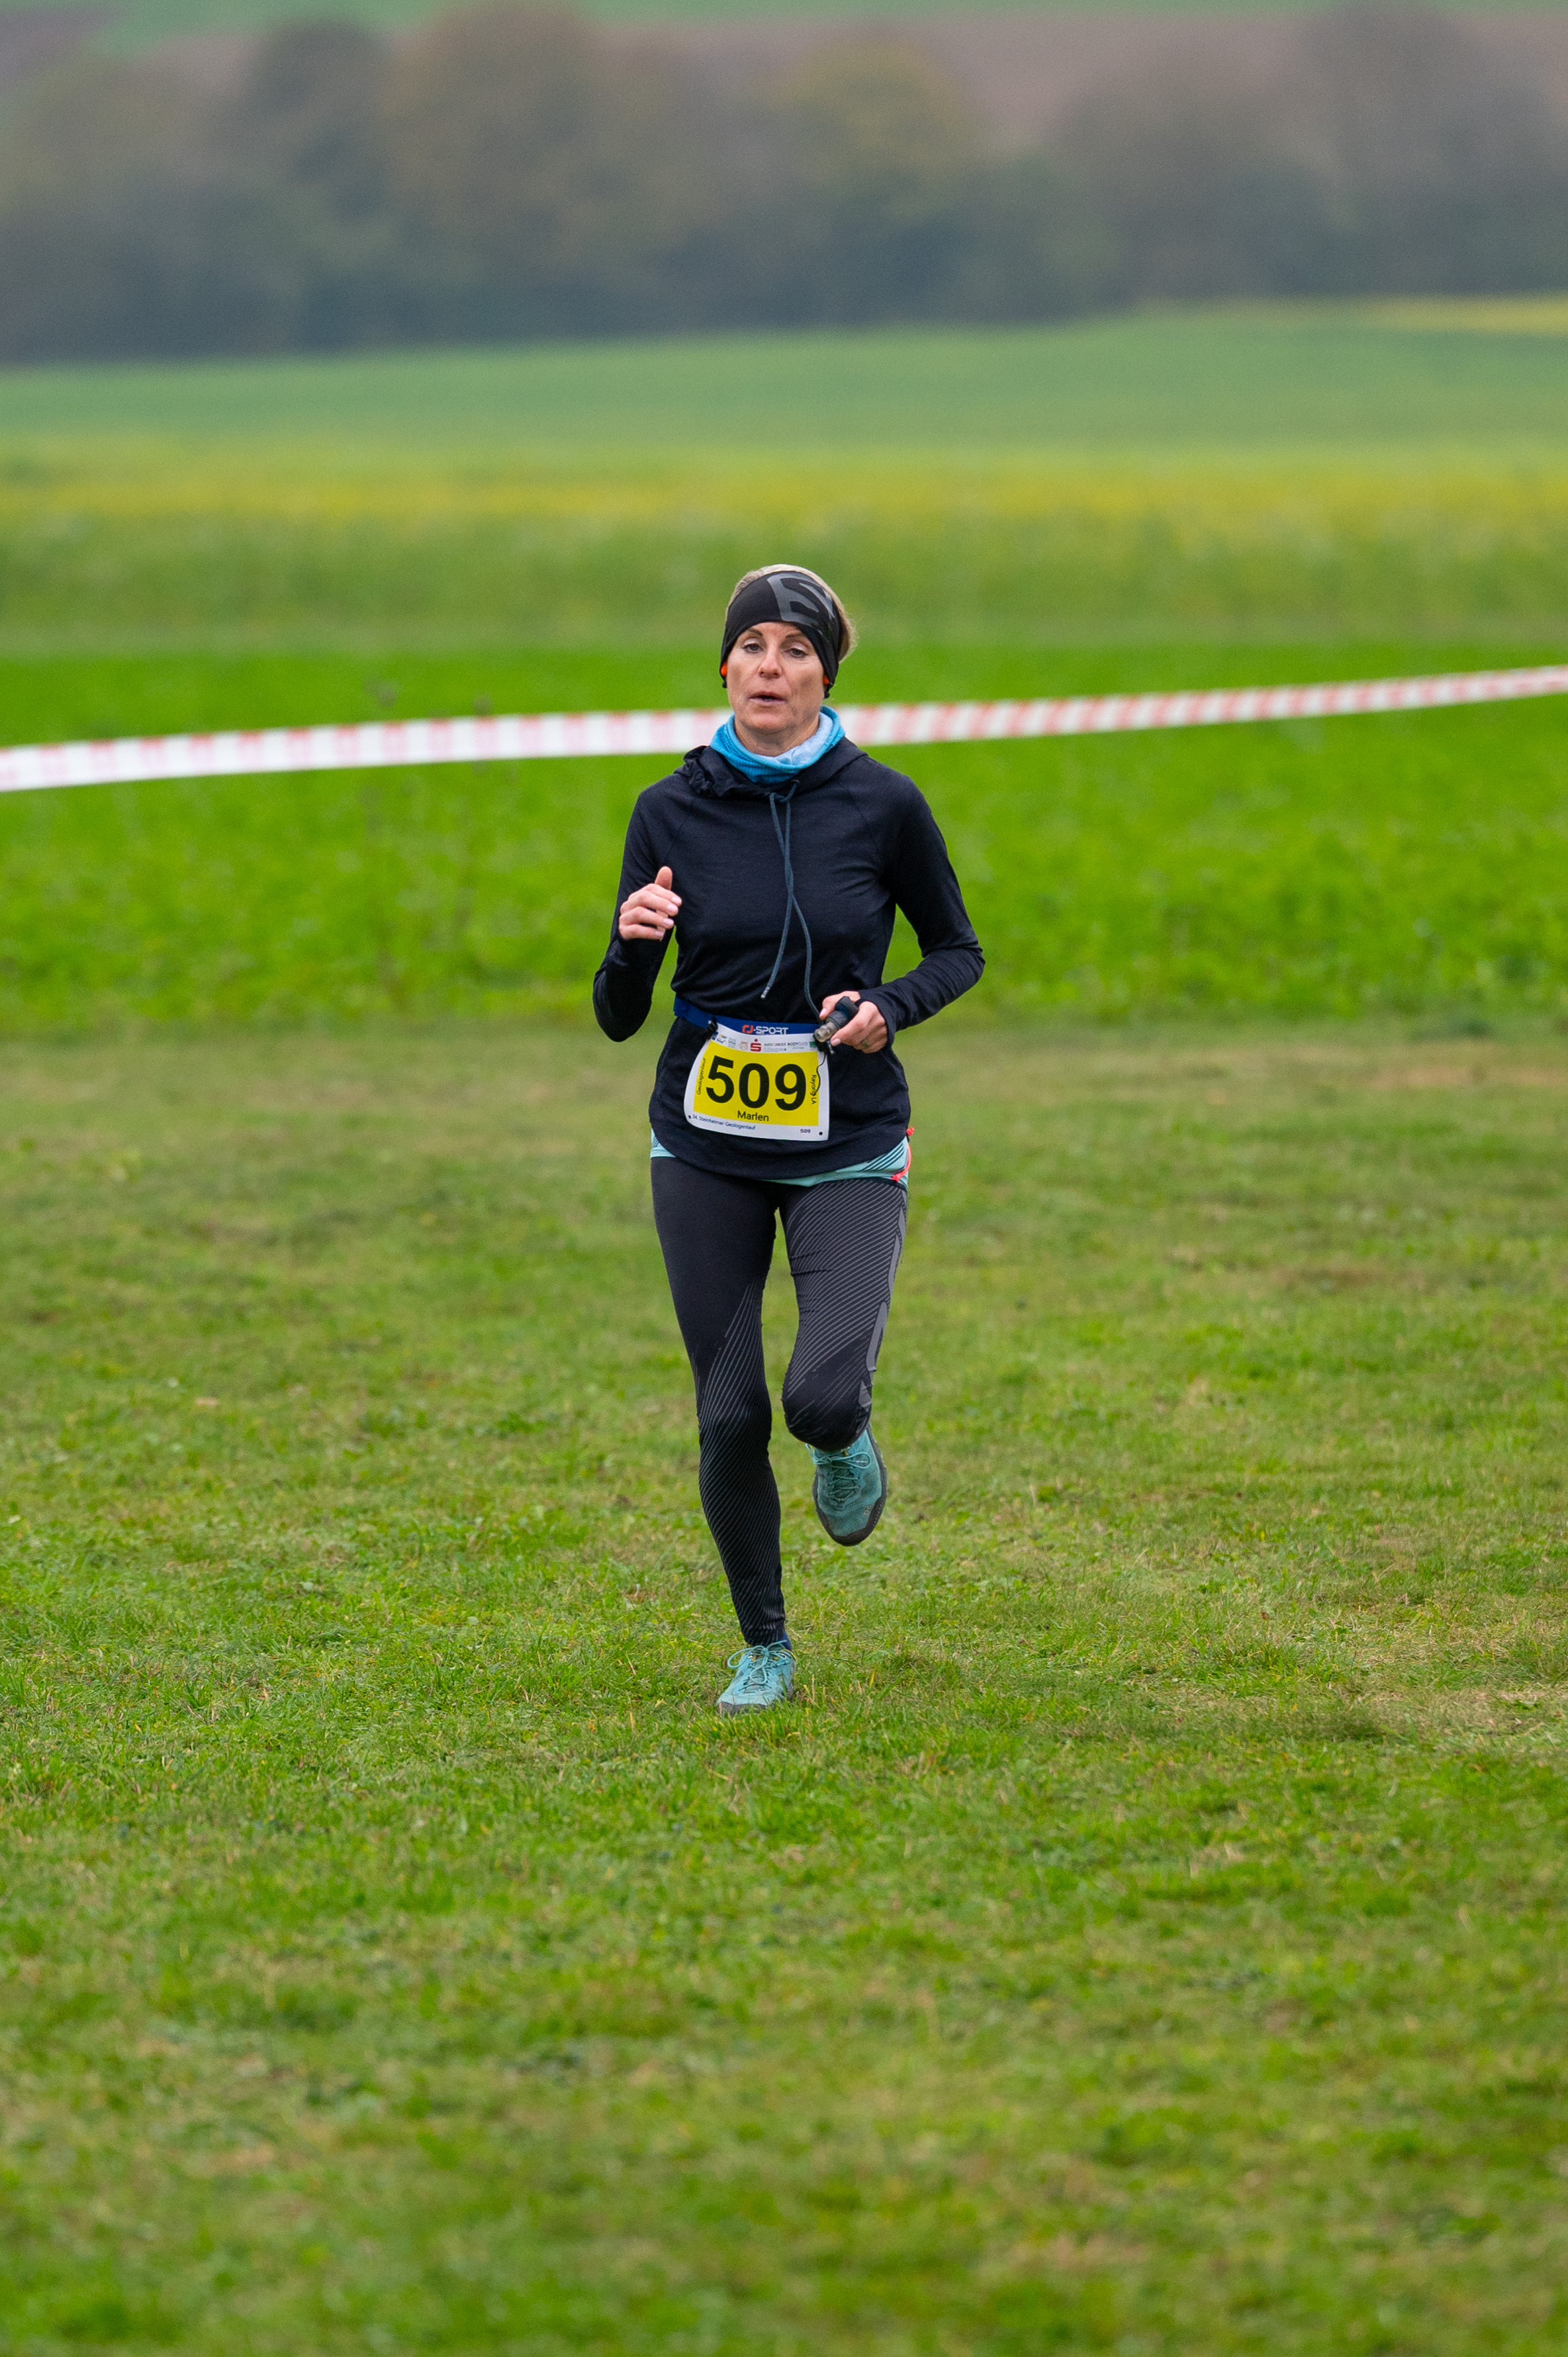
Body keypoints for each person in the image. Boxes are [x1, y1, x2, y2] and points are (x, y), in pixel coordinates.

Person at [593, 564, 983, 1713]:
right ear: (725, 669)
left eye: (796, 649)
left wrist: (887, 1009)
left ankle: (843, 1436)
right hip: (702, 1141)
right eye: (752, 646)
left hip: (846, 1138)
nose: (771, 666)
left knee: (814, 1398)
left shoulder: (883, 804)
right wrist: (630, 942)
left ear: (826, 675)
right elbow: (617, 1014)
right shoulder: (668, 809)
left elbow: (957, 951)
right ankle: (764, 1645)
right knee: (727, 1414)